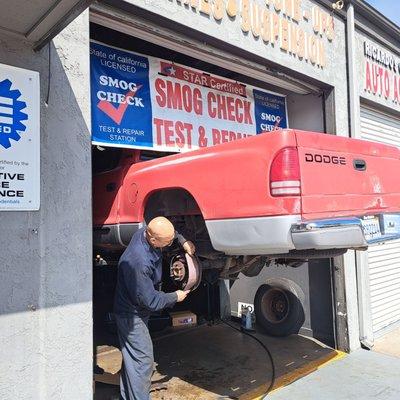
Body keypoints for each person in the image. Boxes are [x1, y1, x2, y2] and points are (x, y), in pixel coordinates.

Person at [113, 216, 195, 400]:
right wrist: (175, 296)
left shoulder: (145, 232)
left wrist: (183, 242)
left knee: (132, 360)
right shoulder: (138, 263)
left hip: (136, 309)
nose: (168, 245)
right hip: (131, 316)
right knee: (143, 361)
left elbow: (168, 234)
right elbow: (150, 301)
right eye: (166, 243)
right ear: (153, 240)